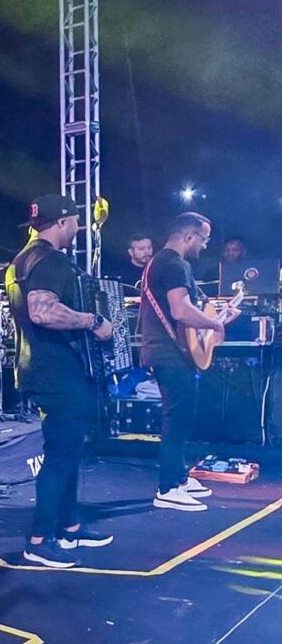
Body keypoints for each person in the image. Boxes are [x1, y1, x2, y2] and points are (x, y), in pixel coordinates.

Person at [4, 195, 117, 567]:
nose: (78, 228)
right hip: (59, 372)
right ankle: (39, 539)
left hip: (38, 368)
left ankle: (69, 527)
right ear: (64, 221)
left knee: (67, 451)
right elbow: (42, 311)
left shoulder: (22, 259)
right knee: (60, 456)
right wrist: (94, 322)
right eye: (76, 221)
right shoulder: (51, 260)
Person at [137, 212, 233, 510]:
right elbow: (180, 310)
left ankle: (179, 476)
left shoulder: (161, 262)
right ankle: (168, 487)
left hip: (166, 352)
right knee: (177, 420)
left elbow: (185, 310)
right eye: (203, 239)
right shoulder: (175, 265)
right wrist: (214, 324)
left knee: (181, 417)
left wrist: (217, 317)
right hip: (171, 354)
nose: (205, 245)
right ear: (189, 236)